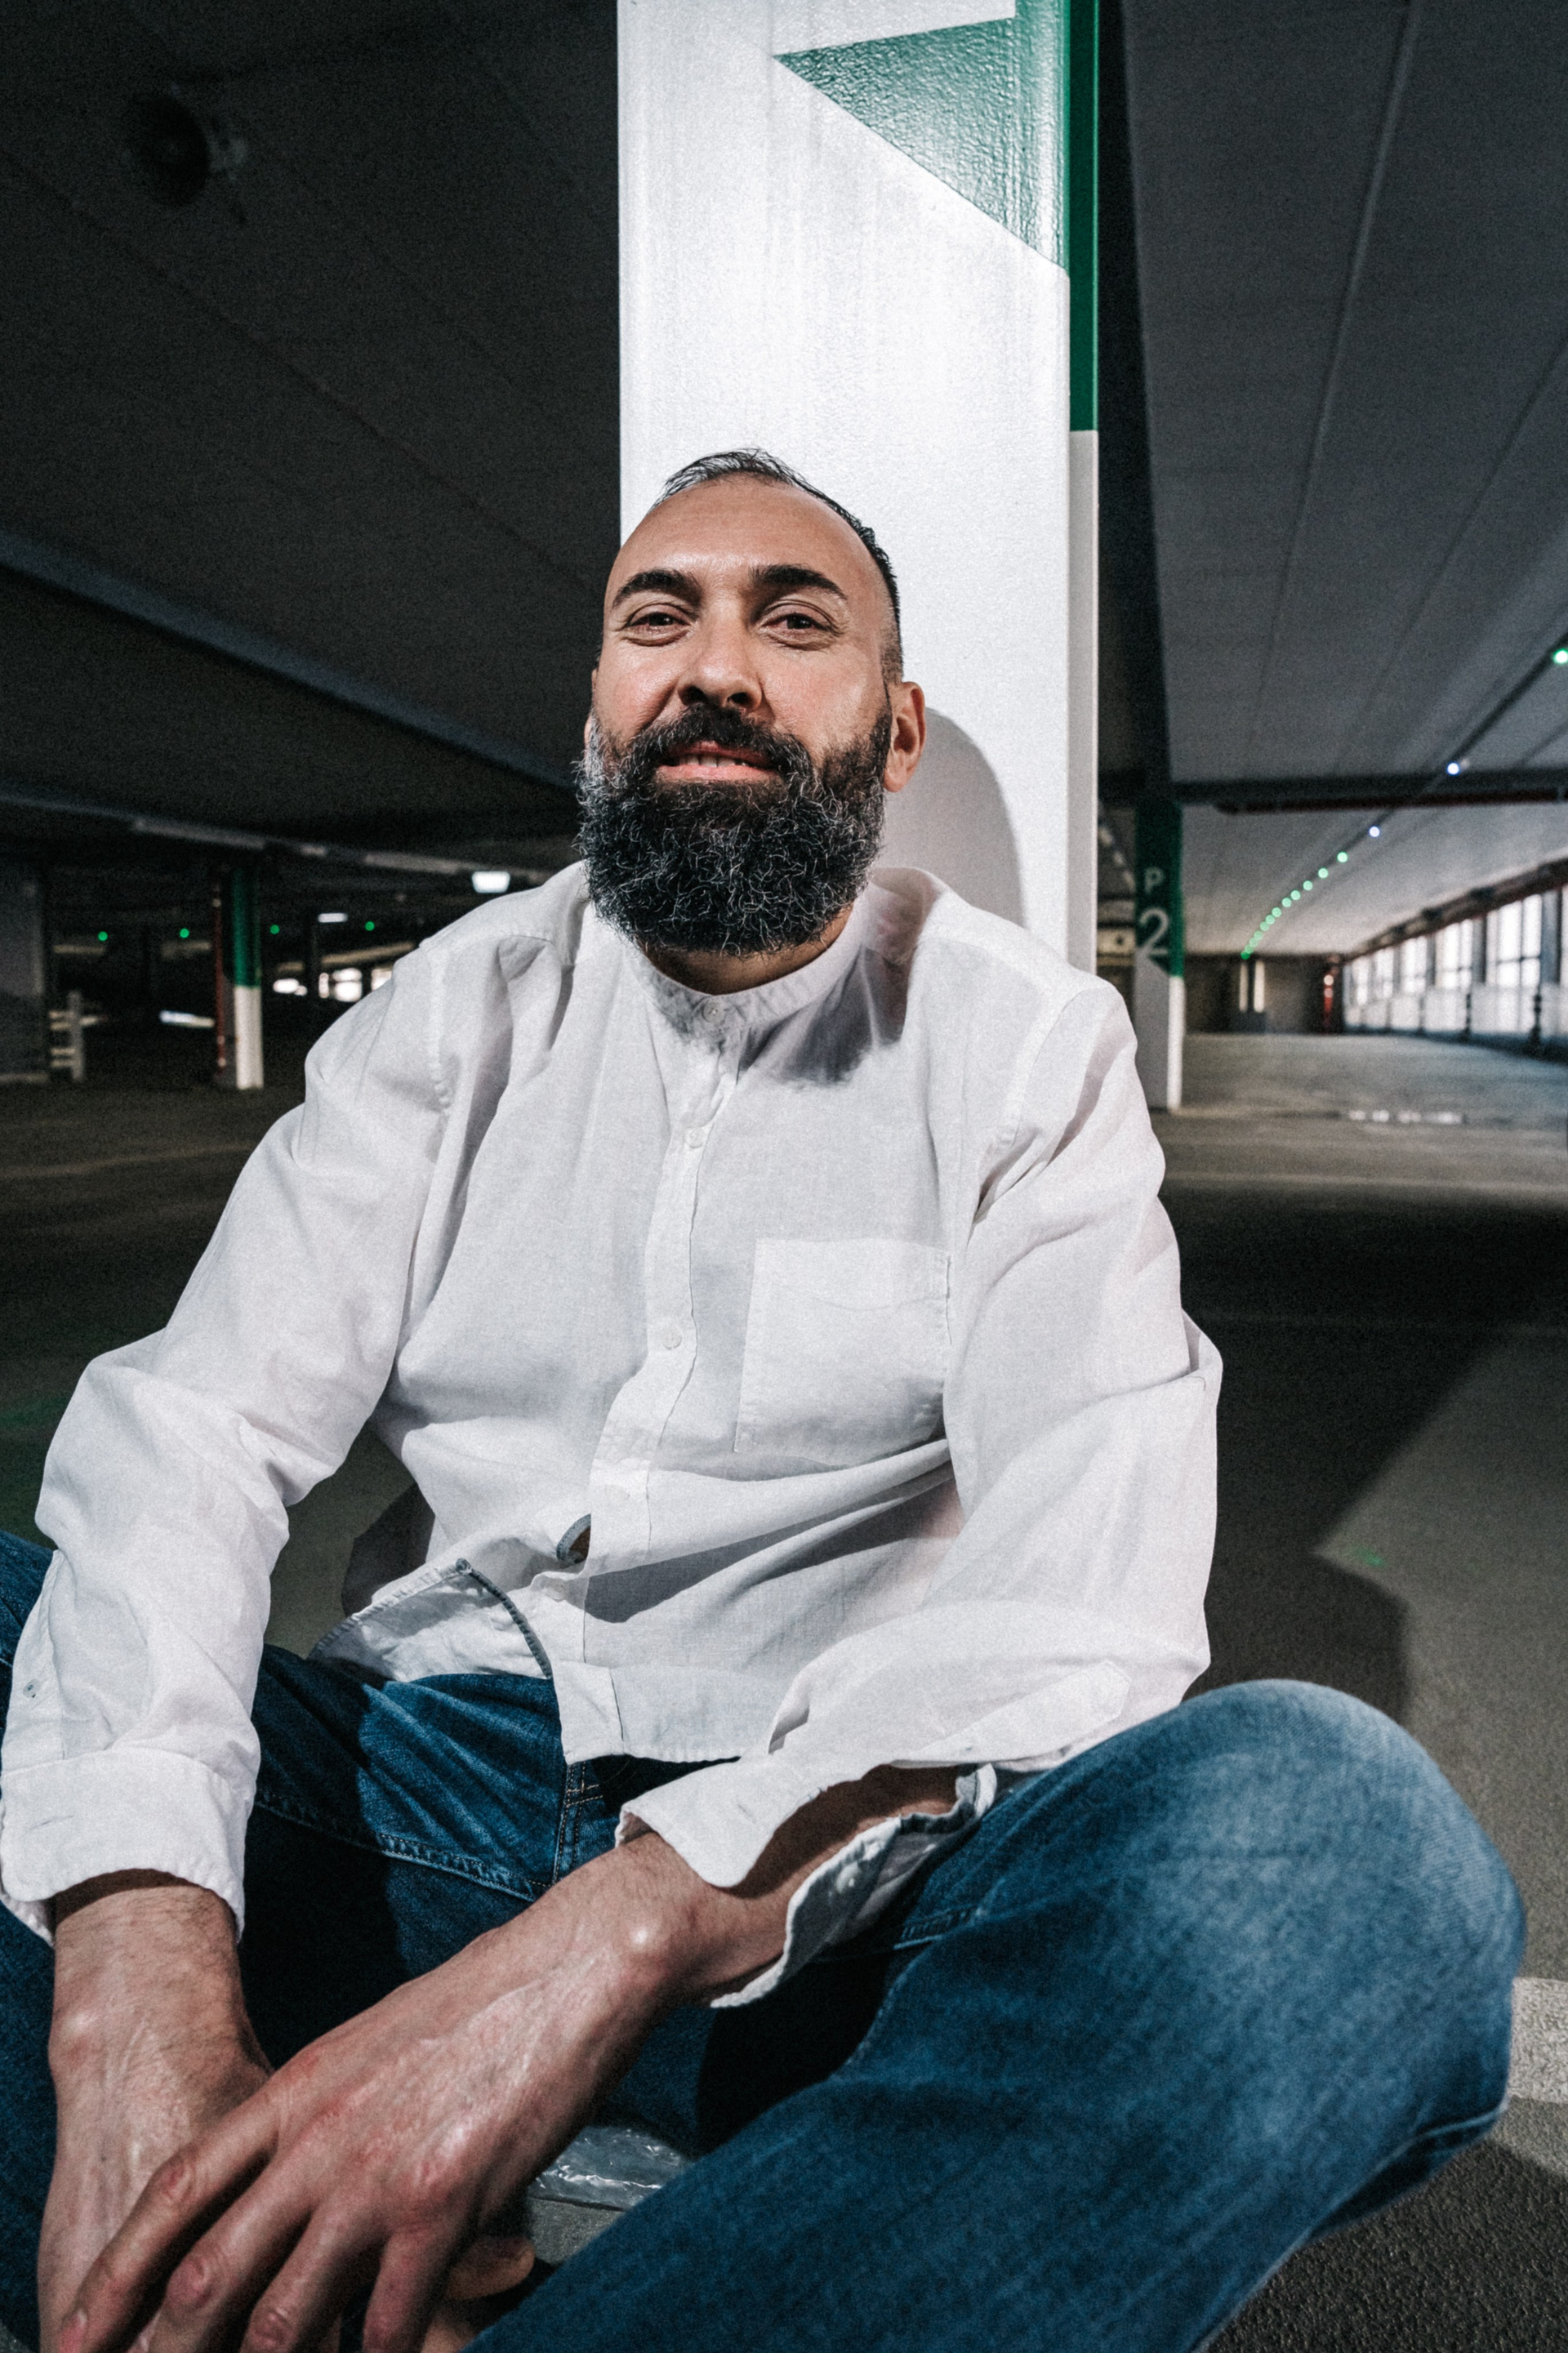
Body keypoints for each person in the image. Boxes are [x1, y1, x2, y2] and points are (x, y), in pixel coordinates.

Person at [0, 451, 1521, 2353]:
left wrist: (626, 1927)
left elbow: (1084, 1587)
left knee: (1344, 1857)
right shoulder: (451, 1012)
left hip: (847, 1890)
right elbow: (198, 1434)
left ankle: (280, 2258)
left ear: (893, 734)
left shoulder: (1021, 1047)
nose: (715, 663)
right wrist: (133, 1971)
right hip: (422, 1802)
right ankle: (557, 2250)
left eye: (792, 620)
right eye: (662, 617)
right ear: (599, 713)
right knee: (53, 1659)